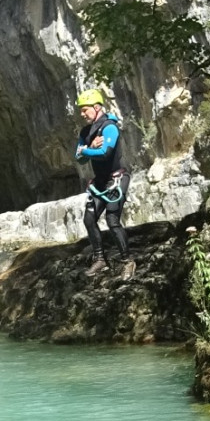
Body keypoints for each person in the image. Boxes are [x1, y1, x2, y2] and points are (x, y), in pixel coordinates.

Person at [75, 88, 136, 279]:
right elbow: (79, 158)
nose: (82, 114)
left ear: (96, 107)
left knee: (112, 220)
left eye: (85, 110)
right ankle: (100, 259)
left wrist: (86, 151)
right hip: (100, 182)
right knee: (89, 219)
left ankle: (128, 261)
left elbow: (105, 153)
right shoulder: (85, 132)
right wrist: (87, 149)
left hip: (117, 178)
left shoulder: (110, 127)